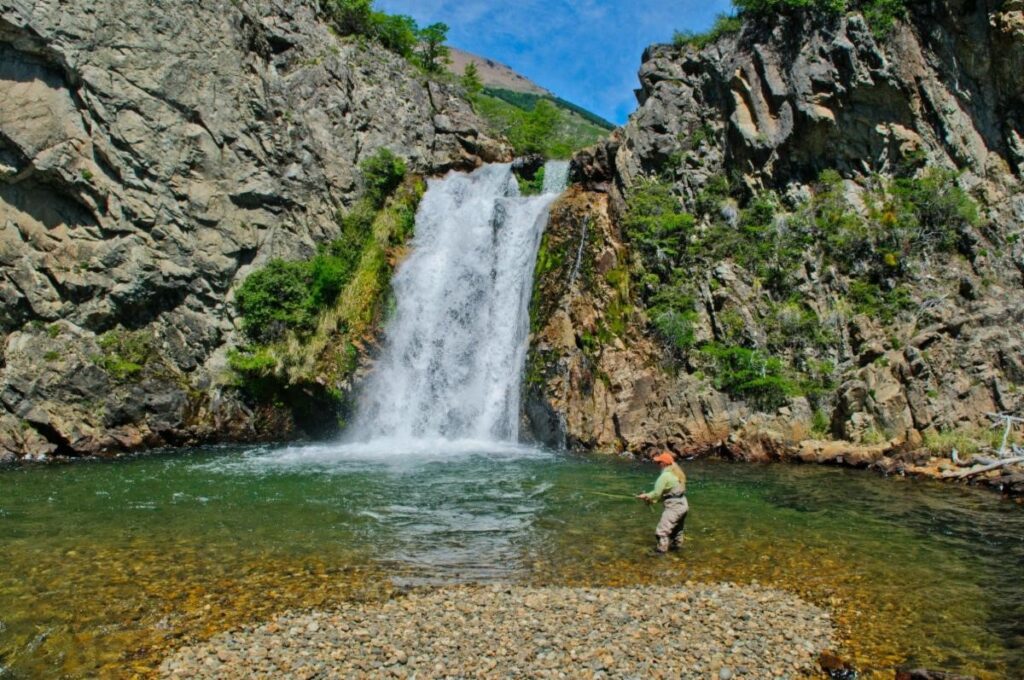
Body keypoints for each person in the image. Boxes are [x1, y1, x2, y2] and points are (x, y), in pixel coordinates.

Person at [637, 451, 688, 554]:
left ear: (664, 464)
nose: (658, 464)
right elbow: (669, 494)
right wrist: (652, 499)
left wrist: (645, 496)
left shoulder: (664, 476)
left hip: (674, 507)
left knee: (661, 531)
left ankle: (661, 553)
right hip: (683, 505)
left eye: (659, 462)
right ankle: (678, 551)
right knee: (677, 530)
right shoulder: (677, 474)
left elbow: (656, 493)